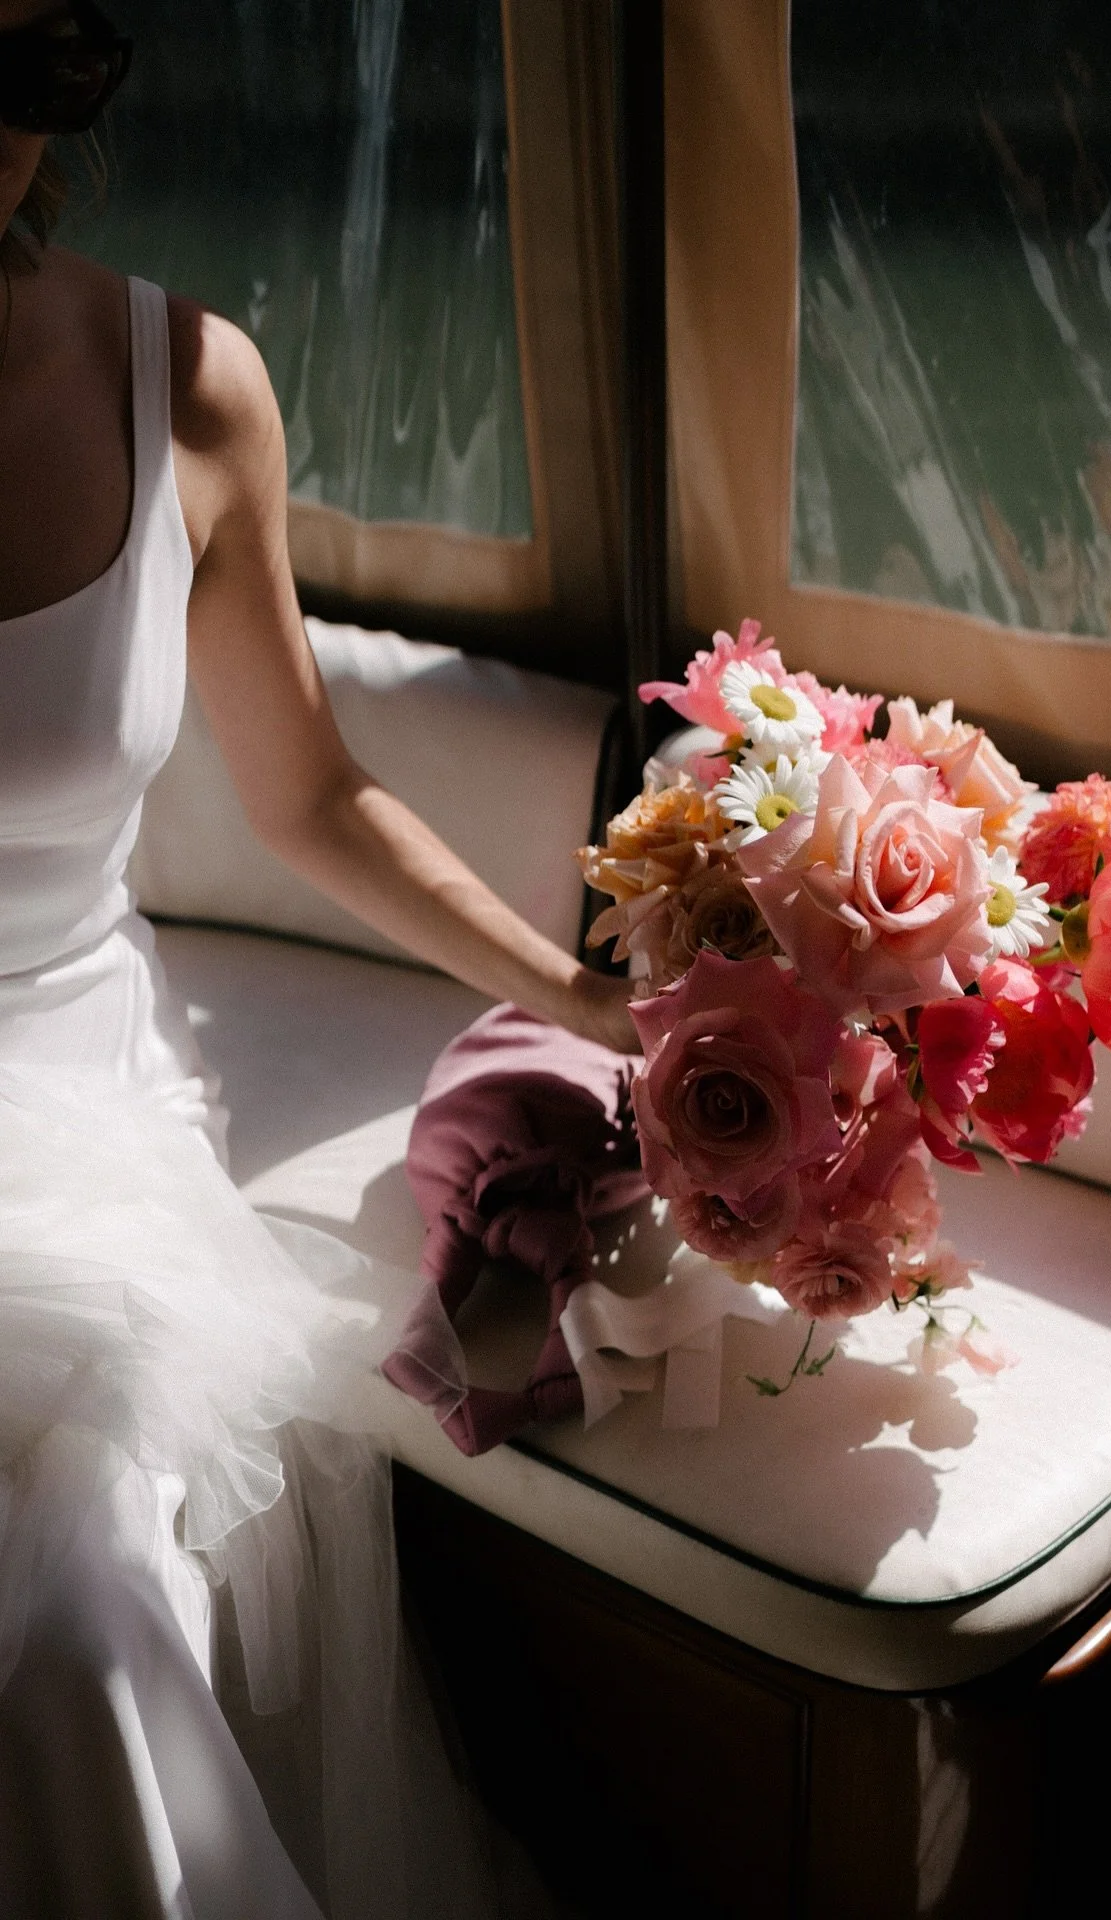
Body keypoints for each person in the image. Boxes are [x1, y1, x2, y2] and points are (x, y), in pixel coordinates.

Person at [0, 3, 636, 1914]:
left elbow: (319, 799)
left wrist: (583, 989)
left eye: (30, 81)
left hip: (76, 1109)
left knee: (82, 1613)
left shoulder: (184, 390)